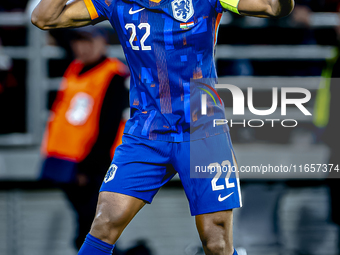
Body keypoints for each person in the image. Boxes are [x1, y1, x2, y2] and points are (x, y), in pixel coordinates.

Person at [31, 0, 294, 254]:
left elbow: (274, 6)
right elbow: (43, 18)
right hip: (146, 135)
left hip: (203, 133)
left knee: (216, 242)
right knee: (104, 224)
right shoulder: (115, 2)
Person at [39, 27, 129, 250]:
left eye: (88, 41)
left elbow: (108, 126)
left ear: (102, 42)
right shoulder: (75, 67)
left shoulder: (113, 74)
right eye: (78, 41)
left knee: (92, 232)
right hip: (65, 162)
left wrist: (89, 168)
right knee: (86, 229)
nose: (82, 47)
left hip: (91, 166)